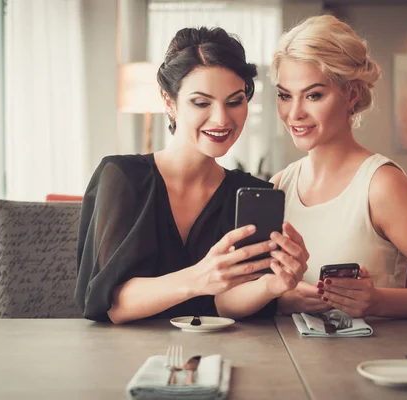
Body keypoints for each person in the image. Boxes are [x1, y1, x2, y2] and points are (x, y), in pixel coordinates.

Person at [74, 27, 306, 323]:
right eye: (201, 102)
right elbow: (109, 304)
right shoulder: (123, 177)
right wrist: (198, 278)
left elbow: (225, 305)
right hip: (125, 358)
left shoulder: (249, 192)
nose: (222, 119)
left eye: (234, 101)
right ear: (169, 103)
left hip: (222, 356)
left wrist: (269, 286)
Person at [267, 15, 407, 318]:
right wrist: (286, 299)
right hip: (290, 360)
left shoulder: (381, 185)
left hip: (370, 361)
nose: (294, 113)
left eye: (313, 95)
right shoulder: (280, 184)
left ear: (352, 94)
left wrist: (378, 301)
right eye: (284, 95)